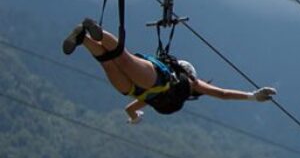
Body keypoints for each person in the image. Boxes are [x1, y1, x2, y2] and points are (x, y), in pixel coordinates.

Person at [63, 18, 277, 123]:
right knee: (112, 62)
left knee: (119, 57)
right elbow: (222, 94)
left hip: (144, 86)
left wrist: (135, 116)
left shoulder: (181, 82)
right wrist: (252, 96)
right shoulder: (189, 82)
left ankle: (89, 35)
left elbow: (222, 94)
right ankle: (90, 38)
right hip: (141, 87)